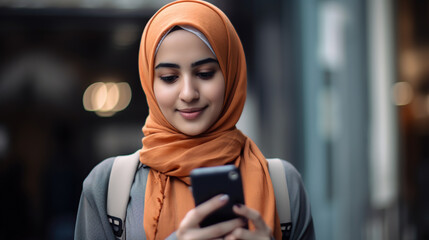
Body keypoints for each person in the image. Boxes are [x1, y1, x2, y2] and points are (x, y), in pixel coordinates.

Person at [74, 0, 315, 239]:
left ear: (231, 75)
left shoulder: (283, 185)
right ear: (150, 82)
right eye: (169, 77)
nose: (188, 93)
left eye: (205, 74)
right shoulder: (108, 187)